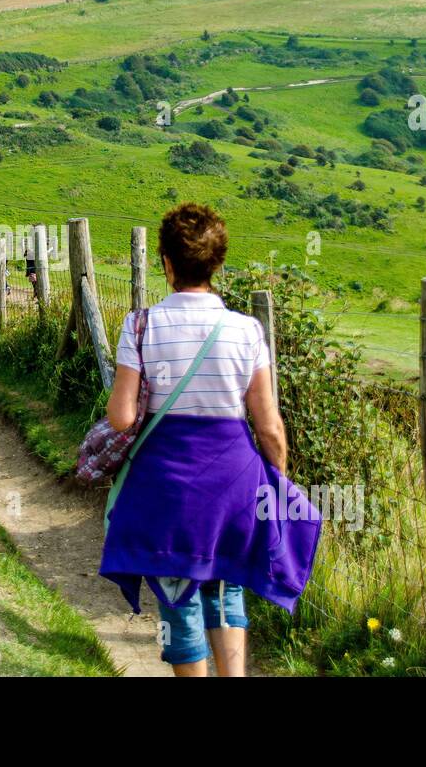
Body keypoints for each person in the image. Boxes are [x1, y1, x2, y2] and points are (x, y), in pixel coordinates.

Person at [99, 202, 319, 678]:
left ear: (166, 263)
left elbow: (121, 418)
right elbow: (269, 427)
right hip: (234, 482)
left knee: (178, 589)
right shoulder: (247, 330)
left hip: (166, 482)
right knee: (227, 587)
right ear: (217, 263)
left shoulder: (140, 325)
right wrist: (277, 480)